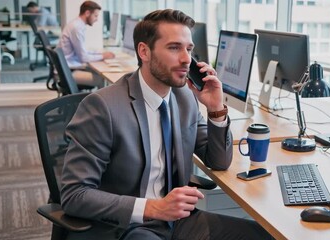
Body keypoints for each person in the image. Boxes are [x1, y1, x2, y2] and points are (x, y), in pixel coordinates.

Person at [60, 8, 274, 240]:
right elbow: (75, 195)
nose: (186, 59)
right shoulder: (103, 107)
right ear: (144, 51)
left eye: (189, 49)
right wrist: (153, 208)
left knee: (264, 235)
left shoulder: (185, 98)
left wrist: (215, 109)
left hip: (179, 221)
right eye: (174, 48)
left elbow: (219, 161)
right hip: (129, 226)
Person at [57, 1, 115, 88]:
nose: (97, 19)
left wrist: (100, 54)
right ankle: (97, 101)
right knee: (101, 78)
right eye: (95, 16)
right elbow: (83, 58)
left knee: (95, 71)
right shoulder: (77, 28)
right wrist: (103, 56)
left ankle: (98, 101)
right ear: (87, 13)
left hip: (68, 68)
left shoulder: (77, 24)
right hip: (68, 73)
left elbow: (82, 52)